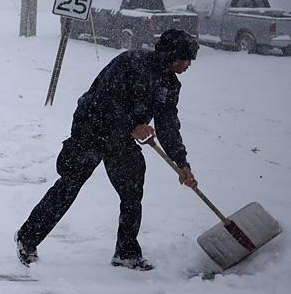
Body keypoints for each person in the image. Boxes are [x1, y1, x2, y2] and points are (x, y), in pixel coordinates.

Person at [15, 29, 200, 271]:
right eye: (185, 59)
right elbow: (104, 100)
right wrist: (133, 126)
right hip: (92, 128)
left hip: (121, 138)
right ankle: (27, 238)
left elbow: (168, 124)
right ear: (171, 55)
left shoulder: (169, 85)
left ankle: (126, 252)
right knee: (70, 184)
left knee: (132, 189)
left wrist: (181, 163)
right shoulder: (130, 63)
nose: (188, 65)